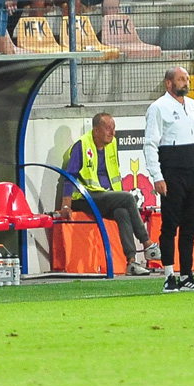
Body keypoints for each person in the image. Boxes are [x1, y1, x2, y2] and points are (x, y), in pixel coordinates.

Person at [144, 66, 194, 293]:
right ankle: (169, 276)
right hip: (172, 172)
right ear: (169, 83)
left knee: (190, 225)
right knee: (170, 224)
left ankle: (187, 275)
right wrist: (157, 176)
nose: (186, 83)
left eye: (187, 79)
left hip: (193, 171)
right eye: (181, 79)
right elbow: (150, 144)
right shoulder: (158, 108)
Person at [61, 112, 161, 276]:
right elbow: (69, 177)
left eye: (114, 128)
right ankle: (148, 243)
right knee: (128, 197)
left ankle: (131, 262)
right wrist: (66, 205)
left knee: (122, 212)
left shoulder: (112, 143)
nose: (112, 132)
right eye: (108, 128)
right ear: (96, 130)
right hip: (85, 198)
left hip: (104, 197)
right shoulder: (82, 145)